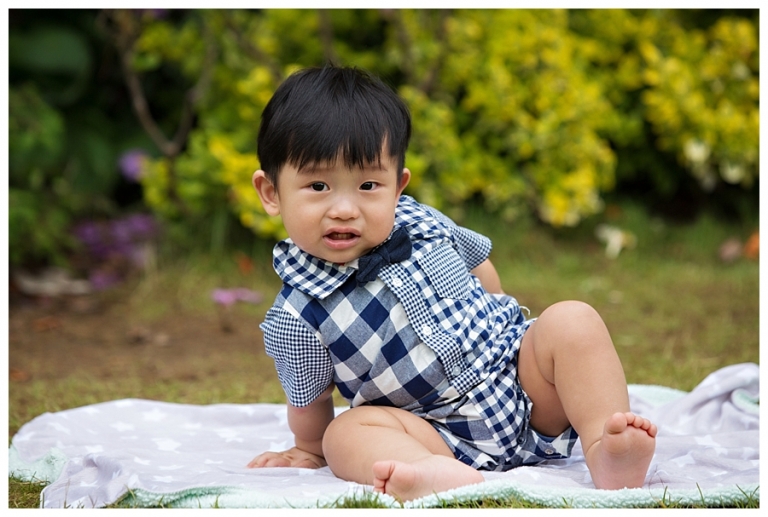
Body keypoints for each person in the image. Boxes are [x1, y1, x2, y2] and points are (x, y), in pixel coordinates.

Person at [247, 65, 657, 502]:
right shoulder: (296, 313)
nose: (345, 208)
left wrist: (522, 342)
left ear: (397, 187)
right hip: (429, 428)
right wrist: (309, 448)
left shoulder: (423, 222)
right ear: (271, 192)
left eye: (368, 184)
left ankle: (606, 447)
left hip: (522, 389)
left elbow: (480, 267)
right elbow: (310, 399)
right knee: (343, 433)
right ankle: (429, 473)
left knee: (572, 319)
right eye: (318, 185)